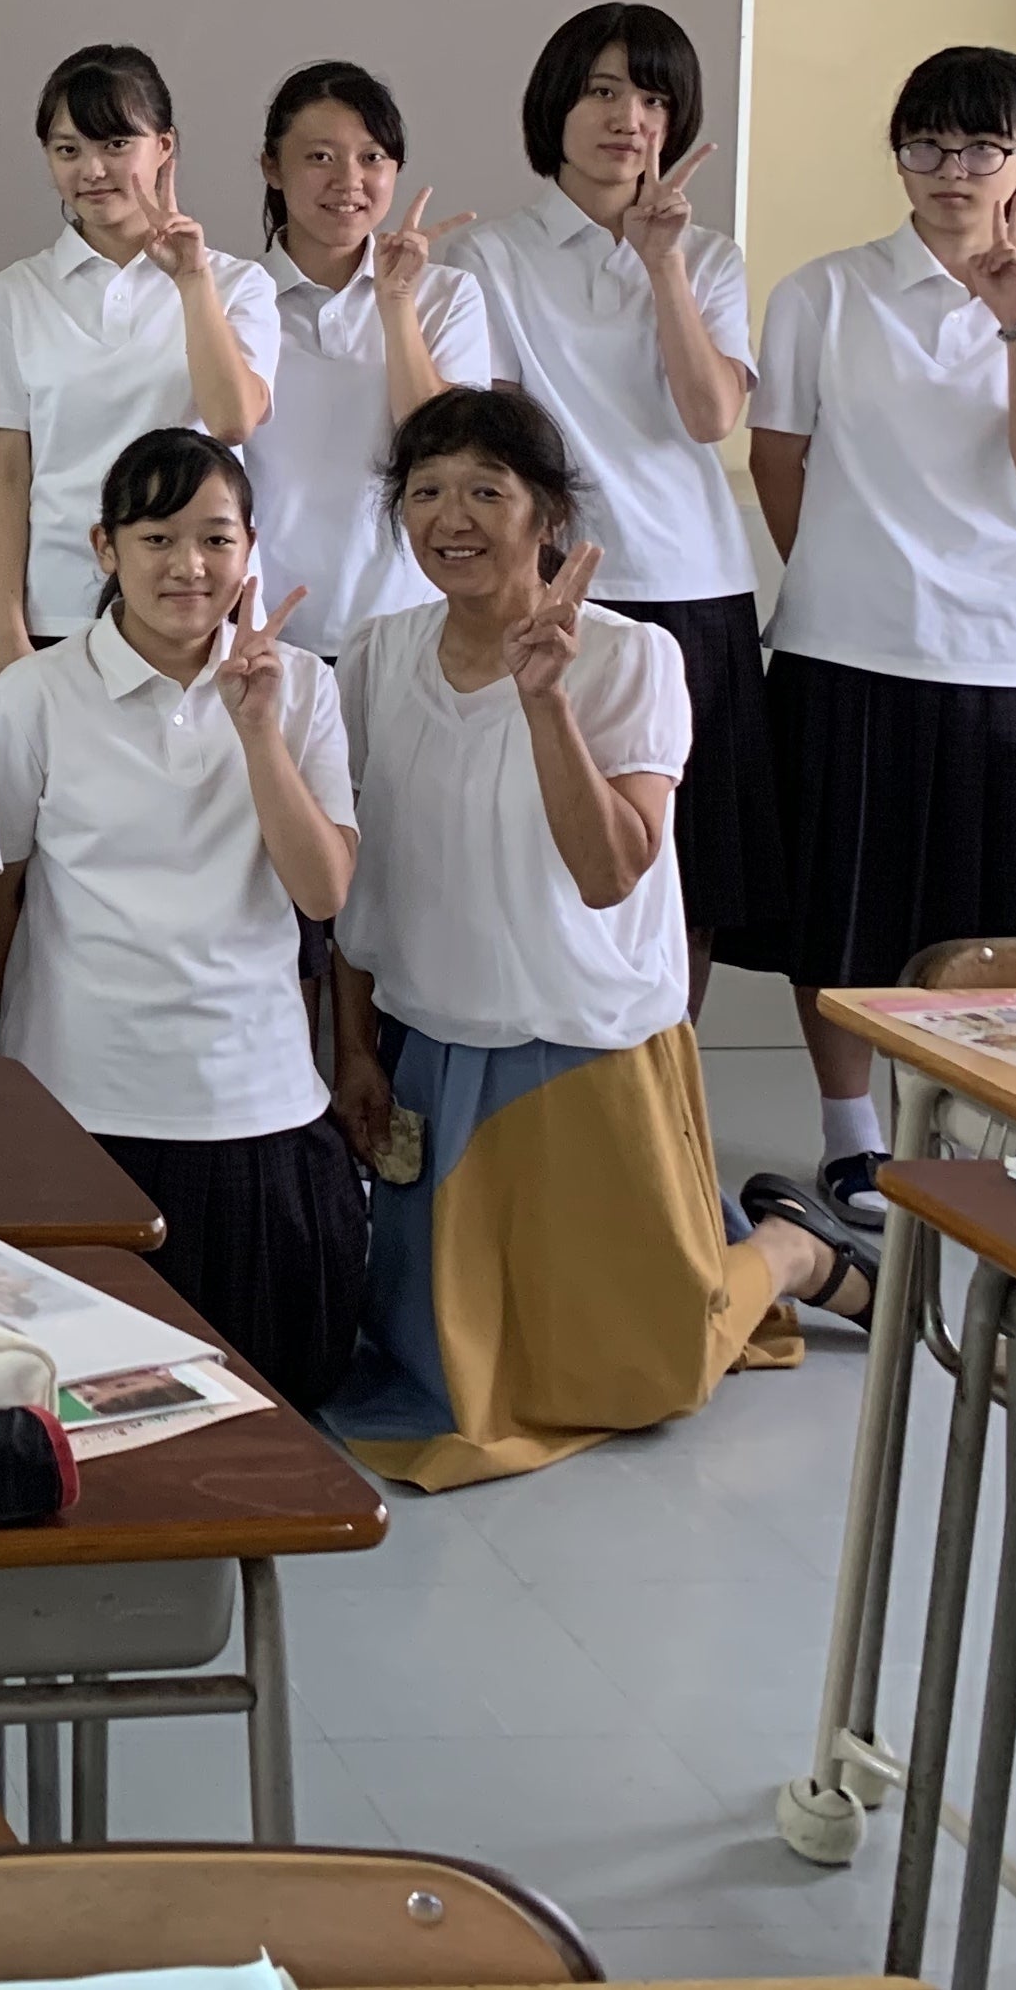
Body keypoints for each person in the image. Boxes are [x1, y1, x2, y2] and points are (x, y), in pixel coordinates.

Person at [325, 389, 872, 1492]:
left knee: (645, 1371)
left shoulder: (629, 658)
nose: (451, 517)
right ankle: (734, 1244)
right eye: (425, 492)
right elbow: (357, 874)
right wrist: (353, 1049)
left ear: (550, 515)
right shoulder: (377, 656)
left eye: (486, 490)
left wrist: (545, 701)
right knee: (448, 1373)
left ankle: (790, 1251)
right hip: (435, 1048)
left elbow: (611, 870)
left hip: (582, 1047)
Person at [742, 46, 1016, 1219]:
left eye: (980, 146)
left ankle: (999, 1134)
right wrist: (849, 578)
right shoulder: (822, 293)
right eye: (926, 145)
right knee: (842, 911)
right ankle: (851, 1138)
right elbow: (778, 460)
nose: (951, 170)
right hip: (848, 646)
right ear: (899, 156)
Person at [0, 428, 363, 1409]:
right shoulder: (30, 697)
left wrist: (258, 729)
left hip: (256, 1099)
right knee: (87, 1410)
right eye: (156, 538)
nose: (188, 566)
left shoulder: (302, 686)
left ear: (249, 550)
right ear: (104, 548)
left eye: (215, 539)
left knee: (273, 1407)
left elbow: (322, 892)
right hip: (80, 1104)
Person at [448, 3, 776, 1014]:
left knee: (692, 878)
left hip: (693, 587)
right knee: (549, 855)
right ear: (555, 105)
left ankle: (665, 1076)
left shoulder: (707, 257)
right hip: (552, 596)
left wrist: (661, 261)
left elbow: (710, 414)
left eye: (651, 97)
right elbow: (499, 439)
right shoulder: (489, 257)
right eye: (600, 90)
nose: (627, 117)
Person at [0, 45, 277, 674]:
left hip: (202, 606)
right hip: (59, 613)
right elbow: (6, 477)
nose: (93, 170)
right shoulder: (11, 297)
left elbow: (233, 420)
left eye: (116, 144)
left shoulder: (238, 285)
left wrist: (192, 281)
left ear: (164, 147)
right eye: (67, 150)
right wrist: (7, 634)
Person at [241, 61, 488, 661]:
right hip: (264, 633)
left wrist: (397, 302)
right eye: (320, 157)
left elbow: (444, 450)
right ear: (272, 166)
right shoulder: (232, 298)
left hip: (411, 628)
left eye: (372, 157)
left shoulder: (447, 295)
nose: (349, 180)